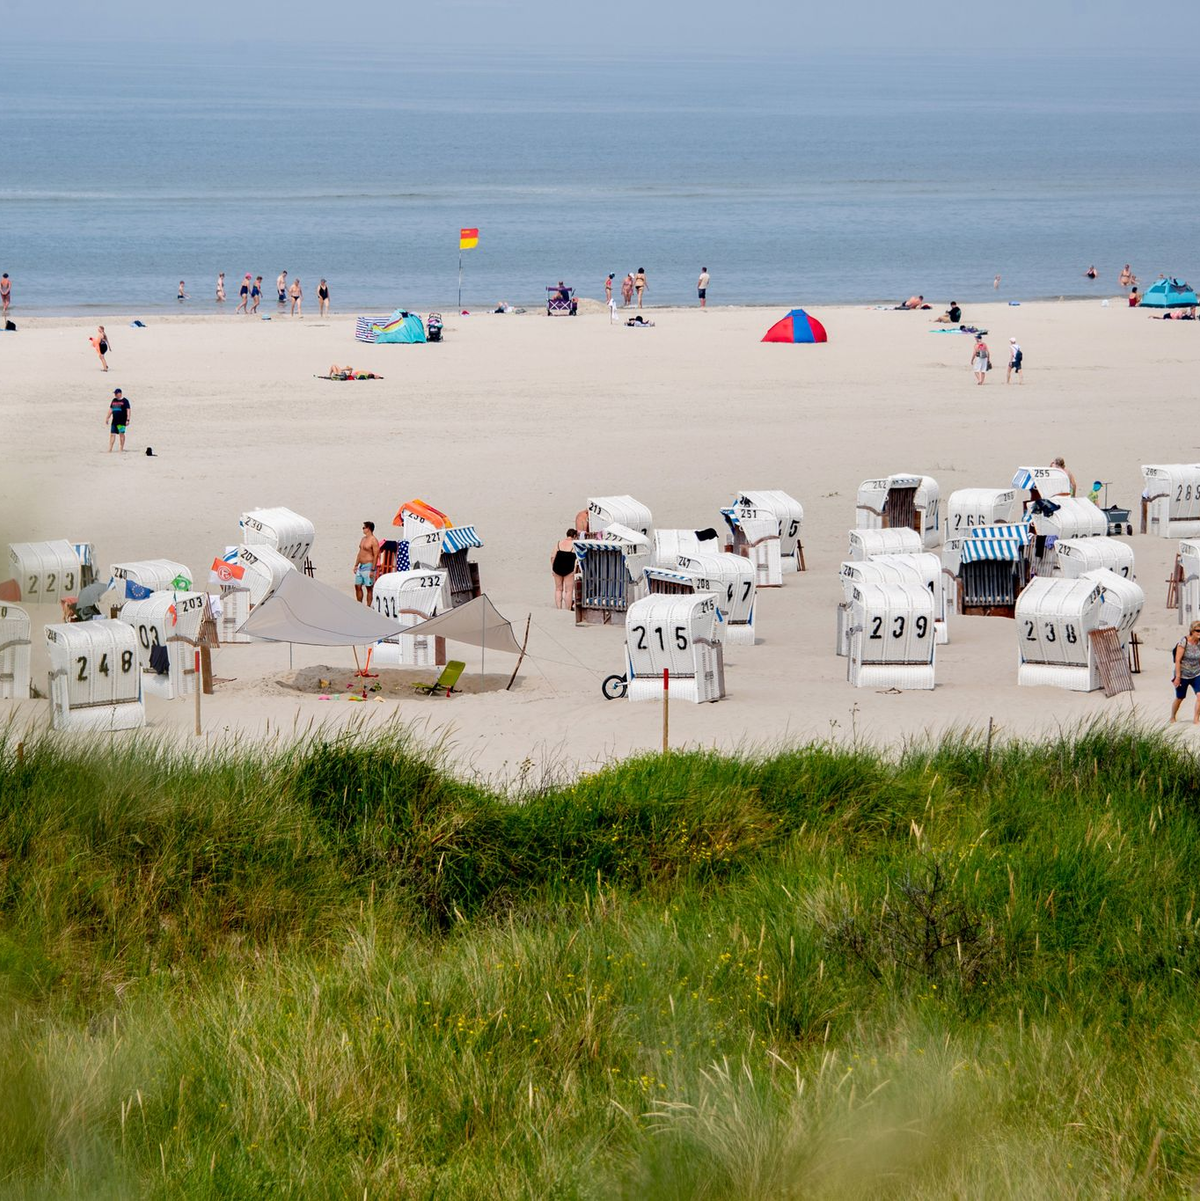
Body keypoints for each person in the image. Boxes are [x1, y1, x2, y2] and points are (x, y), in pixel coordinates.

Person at [1172, 623, 1200, 723]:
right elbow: (1178, 660)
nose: (1199, 633)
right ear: (1192, 631)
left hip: (1196, 673)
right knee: (1180, 697)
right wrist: (1177, 677)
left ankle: (1196, 719)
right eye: (1198, 631)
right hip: (1183, 674)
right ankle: (1172, 716)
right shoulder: (1184, 642)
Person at [551, 529, 579, 610]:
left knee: (558, 589)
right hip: (569, 567)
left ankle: (559, 608)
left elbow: (553, 557)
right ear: (574, 536)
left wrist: (553, 568)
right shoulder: (574, 544)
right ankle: (568, 608)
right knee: (568, 590)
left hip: (557, 566)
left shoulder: (559, 543)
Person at [354, 522, 380, 605]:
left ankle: (368, 606)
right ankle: (359, 604)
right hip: (361, 566)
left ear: (368, 528)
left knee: (369, 588)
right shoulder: (363, 539)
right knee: (357, 586)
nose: (363, 529)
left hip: (369, 566)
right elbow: (360, 553)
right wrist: (355, 565)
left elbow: (376, 556)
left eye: (364, 527)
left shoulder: (374, 540)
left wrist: (372, 570)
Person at [106, 388, 130, 453]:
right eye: (115, 394)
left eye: (116, 393)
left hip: (122, 421)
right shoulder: (114, 400)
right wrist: (107, 418)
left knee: (121, 434)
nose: (115, 395)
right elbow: (111, 409)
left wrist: (128, 419)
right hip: (114, 421)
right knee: (112, 434)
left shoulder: (125, 401)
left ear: (120, 393)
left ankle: (121, 448)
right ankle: (110, 449)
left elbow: (128, 410)